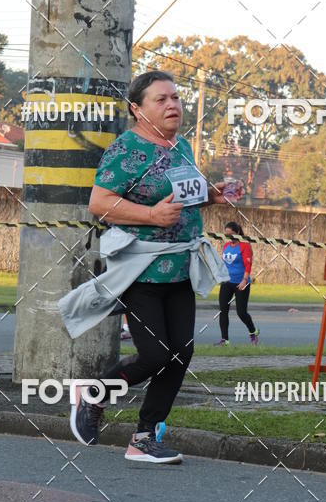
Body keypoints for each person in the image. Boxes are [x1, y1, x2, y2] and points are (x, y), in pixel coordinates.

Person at [68, 70, 239, 463]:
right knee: (156, 354)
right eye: (161, 99)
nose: (173, 105)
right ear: (137, 109)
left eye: (175, 98)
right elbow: (99, 203)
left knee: (181, 354)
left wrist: (214, 196)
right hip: (140, 270)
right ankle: (94, 394)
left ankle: (144, 438)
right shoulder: (126, 150)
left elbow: (185, 198)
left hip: (181, 266)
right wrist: (149, 214)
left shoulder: (181, 148)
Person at [215, 221, 259, 346]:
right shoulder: (226, 245)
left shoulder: (245, 245)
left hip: (241, 283)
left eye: (231, 234)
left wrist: (244, 280)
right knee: (223, 311)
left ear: (238, 232)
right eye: (226, 234)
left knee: (241, 312)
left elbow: (248, 265)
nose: (229, 237)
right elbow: (224, 264)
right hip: (227, 282)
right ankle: (225, 340)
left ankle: (253, 332)